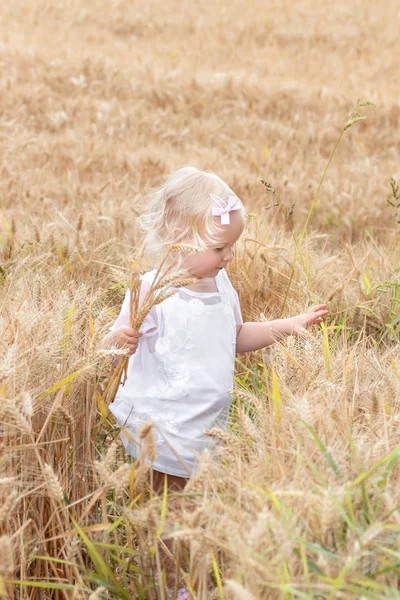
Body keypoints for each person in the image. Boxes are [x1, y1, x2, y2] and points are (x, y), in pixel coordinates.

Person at [100, 166, 328, 599]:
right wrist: (119, 339)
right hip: (164, 427)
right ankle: (166, 584)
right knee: (166, 511)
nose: (229, 257)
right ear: (177, 235)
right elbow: (110, 346)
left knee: (198, 510)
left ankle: (195, 579)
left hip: (207, 425)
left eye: (232, 247)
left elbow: (237, 337)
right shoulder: (152, 291)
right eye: (220, 247)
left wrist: (287, 326)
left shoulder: (222, 286)